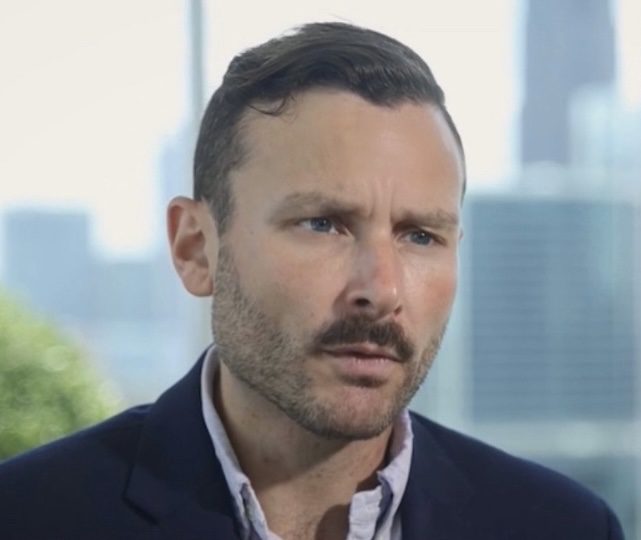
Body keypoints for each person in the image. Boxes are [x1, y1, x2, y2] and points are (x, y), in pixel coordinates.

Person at [0, 22, 625, 540]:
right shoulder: (30, 517)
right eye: (323, 223)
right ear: (195, 249)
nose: (381, 289)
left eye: (419, 236)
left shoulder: (561, 526)